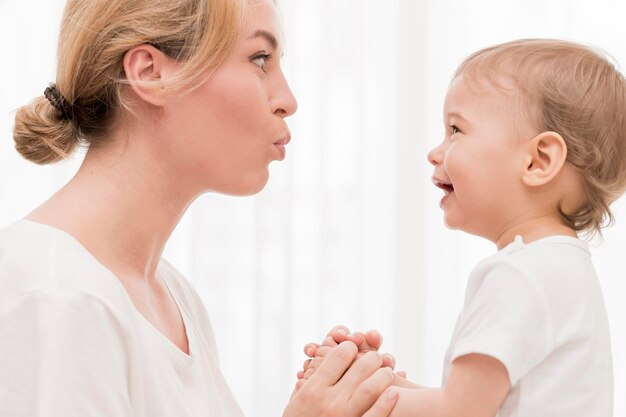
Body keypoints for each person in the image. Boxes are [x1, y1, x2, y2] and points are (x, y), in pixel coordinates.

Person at [0, 0, 399, 416]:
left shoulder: (173, 299)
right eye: (259, 59)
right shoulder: (56, 298)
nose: (288, 100)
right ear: (149, 73)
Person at [298, 39, 626, 416]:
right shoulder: (564, 269)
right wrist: (375, 380)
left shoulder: (518, 275)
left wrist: (346, 395)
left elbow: (459, 412)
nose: (435, 152)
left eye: (455, 130)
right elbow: (478, 404)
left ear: (538, 161)